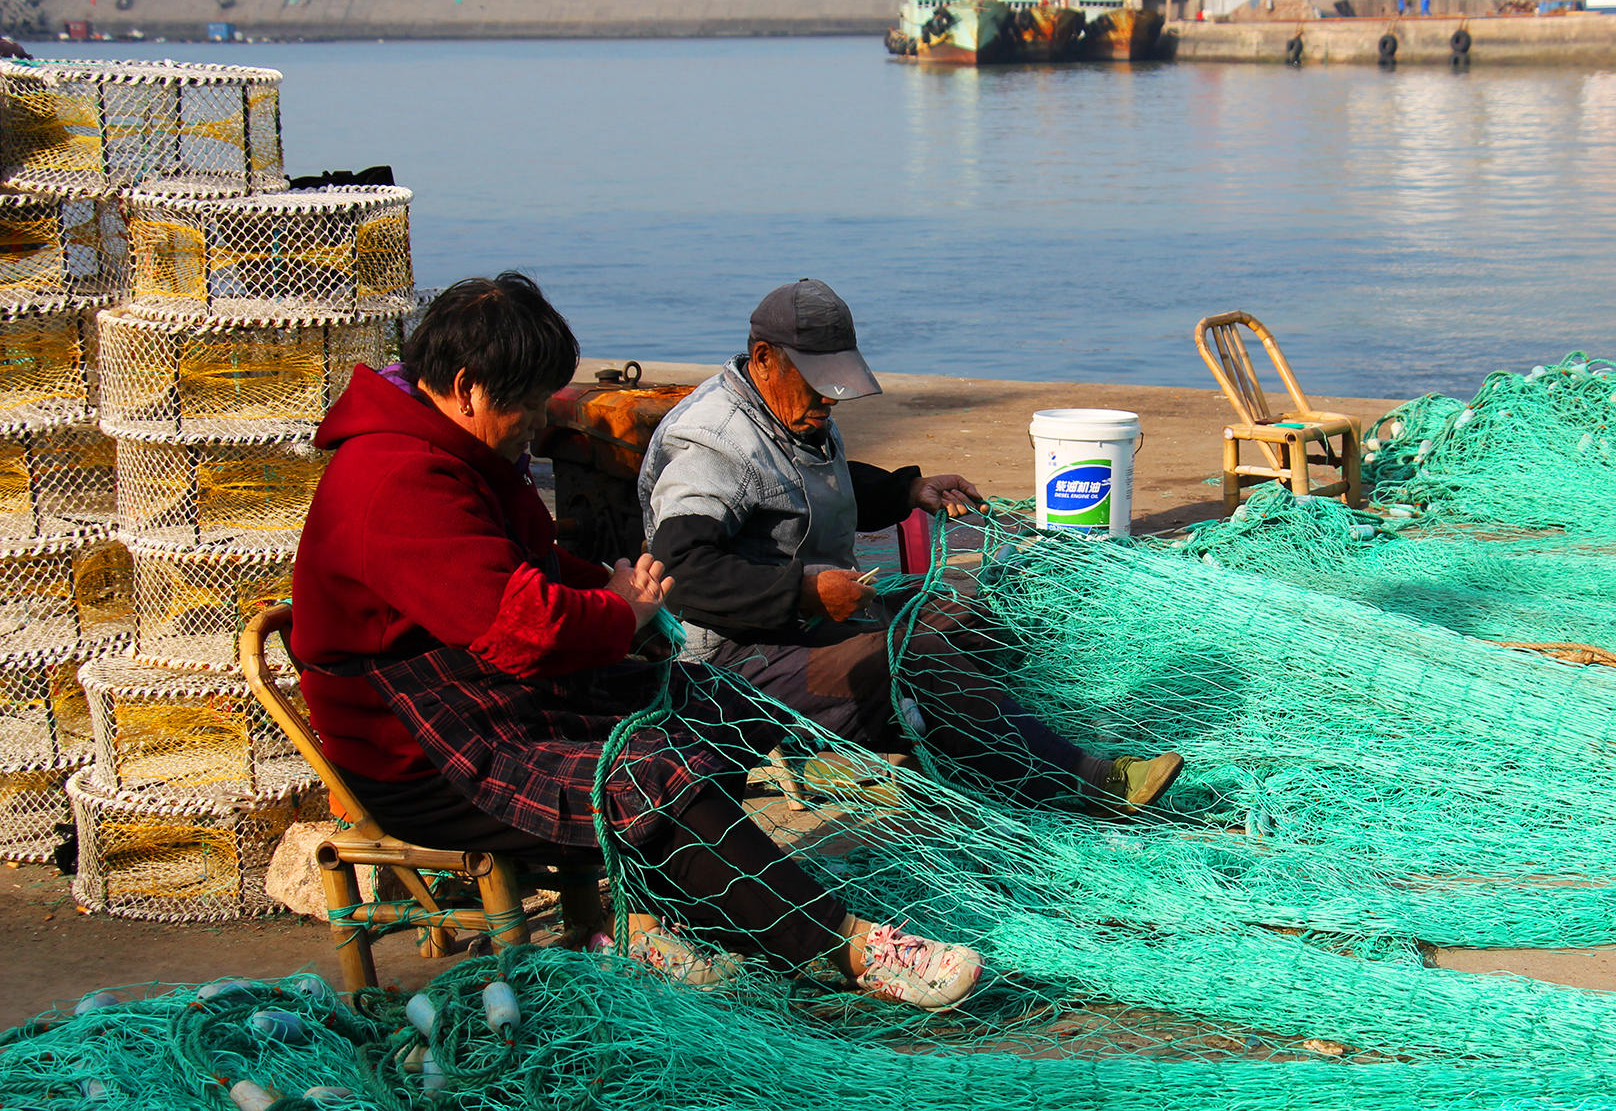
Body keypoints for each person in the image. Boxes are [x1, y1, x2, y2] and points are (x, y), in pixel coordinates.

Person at [289, 272, 980, 1010]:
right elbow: (525, 626)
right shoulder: (396, 482)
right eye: (525, 405)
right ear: (466, 388)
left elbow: (529, 569)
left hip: (491, 696)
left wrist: (610, 587)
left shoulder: (460, 455)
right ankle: (841, 945)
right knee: (648, 769)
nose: (534, 424)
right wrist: (621, 611)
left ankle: (659, 919)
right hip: (423, 757)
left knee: (703, 702)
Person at [637, 278, 1184, 813]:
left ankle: (981, 763)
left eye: (836, 380)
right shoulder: (709, 442)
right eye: (817, 381)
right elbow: (678, 571)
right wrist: (802, 593)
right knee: (907, 657)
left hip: (810, 619)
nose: (831, 396)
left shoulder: (788, 410)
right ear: (763, 358)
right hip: (729, 655)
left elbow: (806, 485)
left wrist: (906, 490)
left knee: (967, 620)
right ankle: (1088, 781)